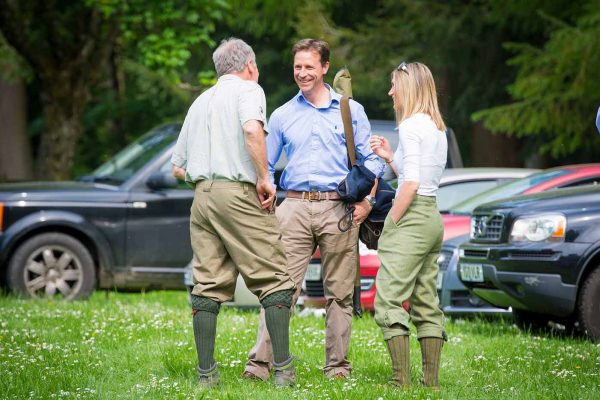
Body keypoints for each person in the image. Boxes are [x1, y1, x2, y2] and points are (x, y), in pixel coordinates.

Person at [243, 38, 384, 380]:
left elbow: (373, 162)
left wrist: (366, 202)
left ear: (325, 68)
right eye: (297, 67)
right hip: (293, 207)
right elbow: (266, 164)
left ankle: (337, 367)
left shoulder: (351, 111)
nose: (302, 73)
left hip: (340, 210)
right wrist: (265, 191)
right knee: (281, 289)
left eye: (309, 67)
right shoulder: (282, 115)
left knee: (339, 292)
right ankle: (260, 365)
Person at [171, 38, 296, 388]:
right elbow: (252, 129)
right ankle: (284, 370)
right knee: (273, 276)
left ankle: (205, 375)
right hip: (238, 193)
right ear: (250, 65)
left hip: (202, 197)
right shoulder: (248, 90)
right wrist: (264, 178)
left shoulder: (200, 101)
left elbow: (177, 167)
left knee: (207, 282)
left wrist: (206, 175)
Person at [369, 61, 448, 389]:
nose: (390, 92)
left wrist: (392, 220)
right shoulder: (435, 127)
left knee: (387, 298)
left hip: (413, 215)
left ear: (409, 88)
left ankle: (400, 381)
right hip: (432, 217)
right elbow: (415, 174)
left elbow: (411, 184)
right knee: (425, 298)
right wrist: (390, 157)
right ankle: (430, 383)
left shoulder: (411, 126)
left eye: (394, 86)